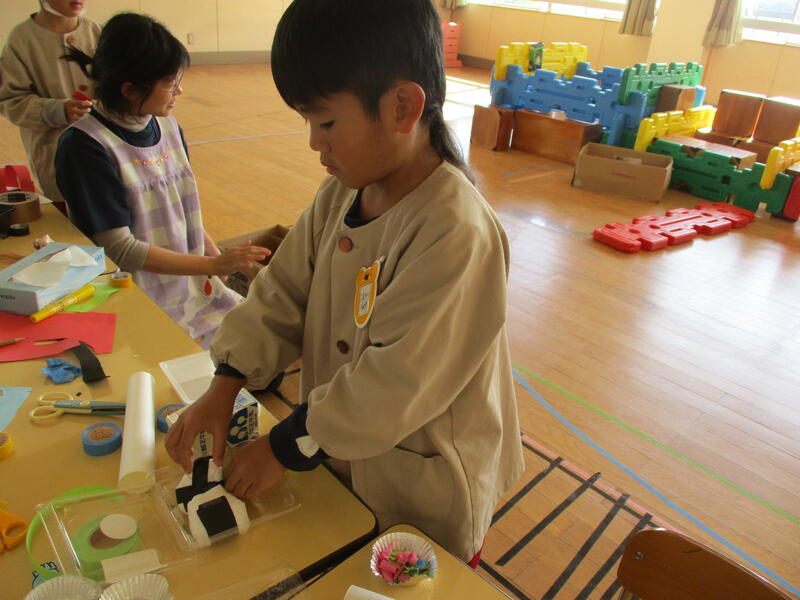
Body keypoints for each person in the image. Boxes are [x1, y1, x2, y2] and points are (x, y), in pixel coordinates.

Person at [166, 0, 524, 562]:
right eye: (308, 123)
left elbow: (393, 384)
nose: (315, 141)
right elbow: (280, 294)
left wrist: (281, 447)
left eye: (327, 122)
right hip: (339, 451)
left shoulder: (455, 229)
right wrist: (225, 384)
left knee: (412, 578)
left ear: (403, 107)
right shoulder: (341, 194)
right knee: (340, 546)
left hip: (425, 484)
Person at [55, 13, 268, 349]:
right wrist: (212, 263)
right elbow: (120, 249)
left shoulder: (168, 125)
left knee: (257, 348)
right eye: (170, 83)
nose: (179, 91)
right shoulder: (85, 146)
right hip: (138, 300)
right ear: (129, 90)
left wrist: (212, 255)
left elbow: (182, 211)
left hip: (191, 287)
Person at [0, 0, 99, 211]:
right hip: (54, 155)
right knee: (69, 218)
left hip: (104, 154)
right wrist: (56, 111)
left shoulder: (97, 32)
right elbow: (11, 100)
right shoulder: (21, 40)